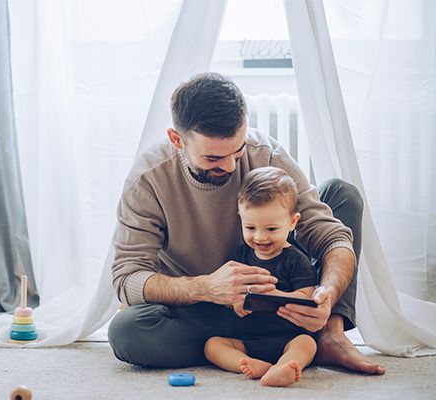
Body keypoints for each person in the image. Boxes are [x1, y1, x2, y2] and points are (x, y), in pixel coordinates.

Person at [108, 72, 385, 375]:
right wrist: (207, 287)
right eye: (213, 158)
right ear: (177, 140)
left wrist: (326, 294)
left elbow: (331, 238)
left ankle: (329, 333)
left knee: (342, 195)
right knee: (127, 332)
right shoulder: (148, 179)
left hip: (284, 305)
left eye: (237, 151)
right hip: (208, 311)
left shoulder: (266, 155)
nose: (229, 166)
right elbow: (127, 278)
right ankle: (262, 346)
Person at [204, 166, 318, 387]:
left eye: (271, 229)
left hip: (287, 337)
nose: (260, 237)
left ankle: (284, 366)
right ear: (240, 219)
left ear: (292, 222)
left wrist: (277, 296)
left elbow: (307, 297)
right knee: (212, 345)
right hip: (246, 339)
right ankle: (250, 364)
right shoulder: (240, 256)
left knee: (307, 344)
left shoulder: (295, 259)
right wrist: (235, 302)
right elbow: (228, 291)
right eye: (250, 227)